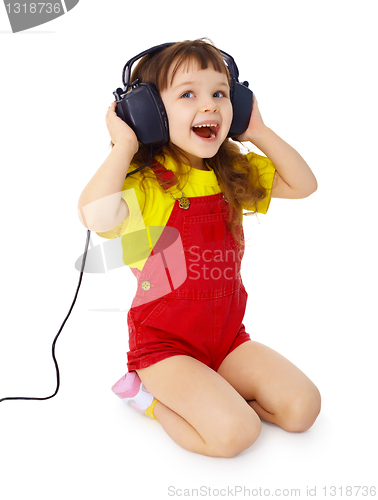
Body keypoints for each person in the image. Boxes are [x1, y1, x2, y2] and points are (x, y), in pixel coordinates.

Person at [78, 39, 321, 458]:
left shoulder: (233, 172)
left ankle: (213, 393)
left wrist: (257, 130)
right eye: (188, 93)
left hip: (226, 339)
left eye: (221, 94)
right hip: (165, 347)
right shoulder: (148, 184)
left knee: (302, 410)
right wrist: (125, 146)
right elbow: (95, 216)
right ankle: (146, 398)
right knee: (234, 436)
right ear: (150, 113)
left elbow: (304, 185)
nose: (209, 105)